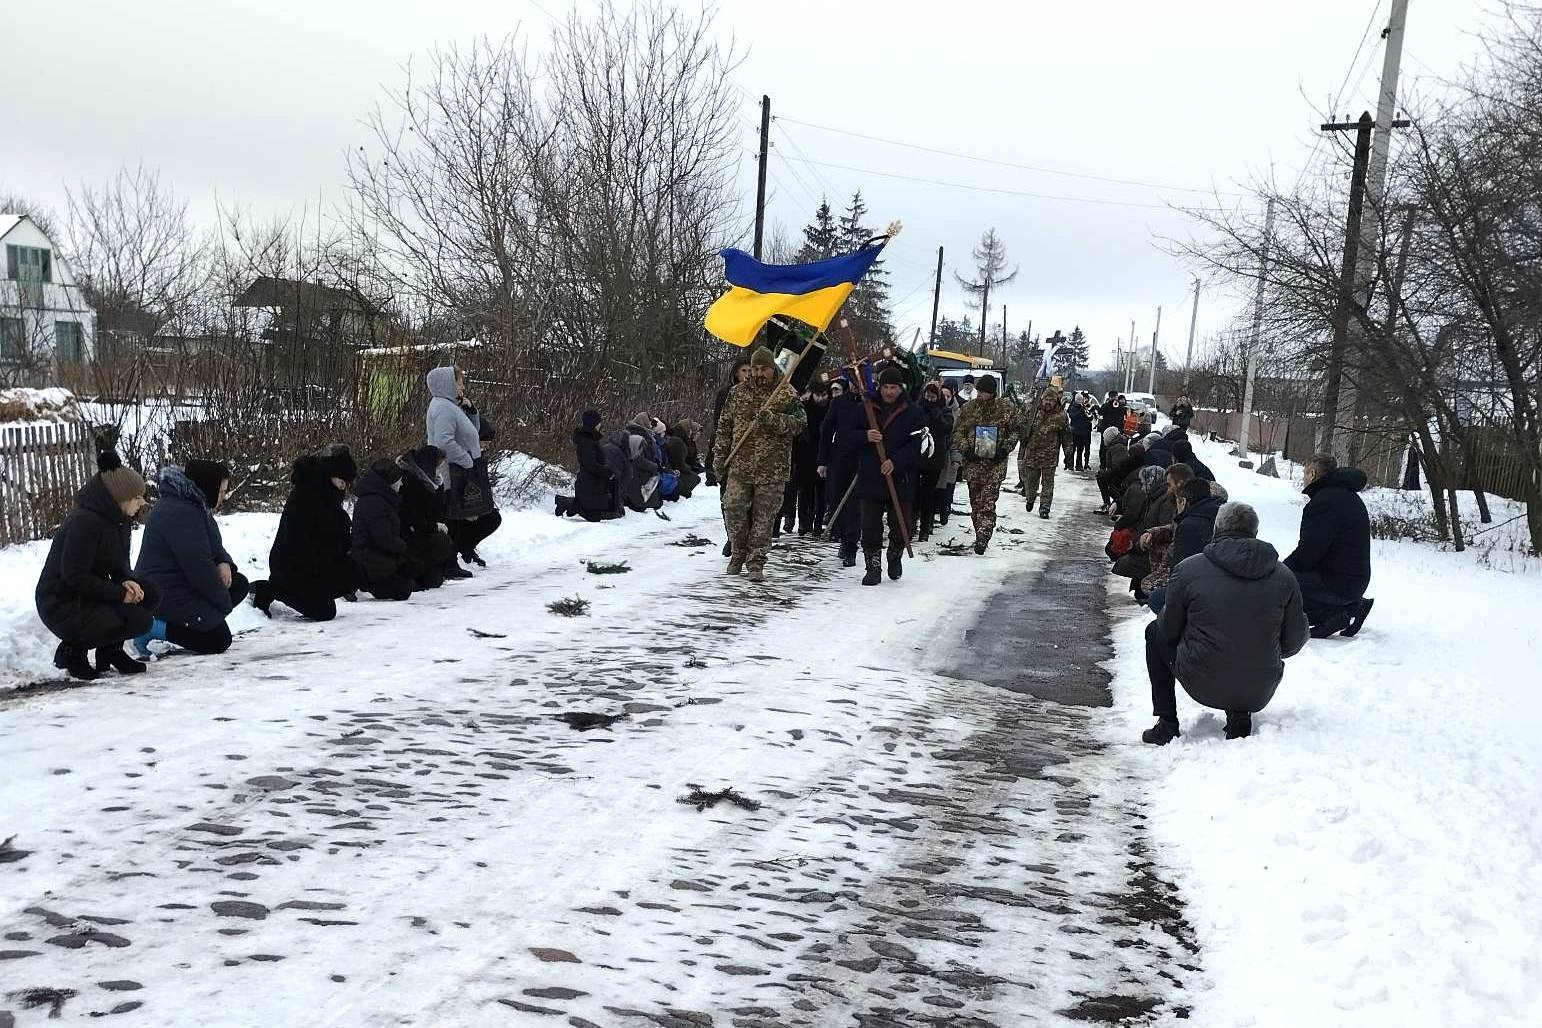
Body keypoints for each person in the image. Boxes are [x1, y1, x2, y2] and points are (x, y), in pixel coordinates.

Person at [1142, 501, 1309, 744]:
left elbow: (1168, 630)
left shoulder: (1188, 570)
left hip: (1201, 680)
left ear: (1217, 529)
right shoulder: (1284, 576)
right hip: (1259, 687)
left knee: (1153, 631)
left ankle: (1167, 722)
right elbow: (1292, 643)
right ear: (1255, 531)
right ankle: (1240, 715)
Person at [34, 451, 160, 680]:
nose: (142, 503)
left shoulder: (119, 520)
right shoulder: (85, 522)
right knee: (139, 619)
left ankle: (111, 651)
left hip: (90, 592)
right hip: (62, 600)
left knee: (149, 594)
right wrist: (120, 593)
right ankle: (73, 651)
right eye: (137, 497)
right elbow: (74, 577)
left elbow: (119, 565)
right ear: (122, 497)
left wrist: (127, 581)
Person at [131, 460, 248, 658]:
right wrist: (222, 604)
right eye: (220, 492)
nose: (223, 497)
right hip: (164, 593)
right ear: (207, 487)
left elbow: (213, 545)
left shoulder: (194, 503)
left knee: (237, 584)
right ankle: (152, 627)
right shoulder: (180, 513)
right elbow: (199, 567)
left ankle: (199, 624)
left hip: (181, 583)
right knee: (218, 640)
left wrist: (223, 562)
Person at [713, 346, 807, 582]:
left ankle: (756, 561)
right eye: (754, 369)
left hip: (772, 469)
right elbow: (724, 427)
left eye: (763, 368)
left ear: (772, 368)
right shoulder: (737, 393)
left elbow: (800, 424)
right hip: (739, 465)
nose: (758, 373)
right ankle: (738, 552)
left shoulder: (785, 393)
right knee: (733, 509)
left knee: (763, 518)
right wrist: (719, 458)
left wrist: (774, 420)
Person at [252, 444, 360, 623]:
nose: (343, 488)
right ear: (330, 475)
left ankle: (312, 593)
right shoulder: (304, 498)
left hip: (316, 563)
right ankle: (272, 589)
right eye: (341, 482)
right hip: (291, 568)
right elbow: (298, 546)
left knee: (352, 573)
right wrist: (334, 550)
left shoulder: (329, 495)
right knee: (324, 611)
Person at [1283, 453, 1374, 638]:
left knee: (1278, 586)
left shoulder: (1325, 501)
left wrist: (1279, 570)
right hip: (1351, 581)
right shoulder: (1345, 496)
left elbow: (1309, 552)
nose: (1303, 478)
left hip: (1337, 583)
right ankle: (1352, 606)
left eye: (1305, 473)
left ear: (1313, 473)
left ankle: (1334, 614)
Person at [425, 366, 501, 567]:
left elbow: (472, 432)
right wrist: (467, 461)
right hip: (453, 472)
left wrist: (472, 411)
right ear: (448, 384)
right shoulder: (442, 408)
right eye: (459, 382)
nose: (462, 386)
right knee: (456, 518)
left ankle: (463, 549)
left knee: (479, 516)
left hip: (463, 471)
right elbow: (443, 442)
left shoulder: (451, 406)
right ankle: (450, 561)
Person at [857, 366, 925, 585]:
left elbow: (917, 445)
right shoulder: (867, 407)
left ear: (900, 388)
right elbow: (846, 436)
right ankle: (873, 567)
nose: (888, 392)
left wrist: (896, 462)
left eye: (893, 387)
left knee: (902, 524)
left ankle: (895, 554)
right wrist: (865, 436)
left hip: (900, 477)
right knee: (870, 525)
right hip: (871, 475)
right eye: (885, 387)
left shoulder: (913, 411)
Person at [951, 375, 1021, 554]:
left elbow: (1014, 431)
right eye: (980, 392)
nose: (982, 395)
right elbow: (958, 431)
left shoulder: (1005, 408)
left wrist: (1004, 449)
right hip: (973, 464)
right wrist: (966, 449)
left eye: (985, 392)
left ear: (992, 393)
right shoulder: (968, 409)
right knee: (976, 504)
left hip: (994, 465)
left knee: (988, 503)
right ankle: (978, 532)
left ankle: (983, 537)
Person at [1145, 478, 1222, 616]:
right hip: (1218, 584)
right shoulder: (1217, 514)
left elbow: (1180, 571)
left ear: (1184, 501)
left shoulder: (1189, 526)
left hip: (1201, 590)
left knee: (1156, 598)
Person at [397, 444, 468, 585]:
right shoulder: (412, 481)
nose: (439, 469)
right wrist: (434, 526)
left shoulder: (432, 481)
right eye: (438, 465)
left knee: (434, 580)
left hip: (424, 526)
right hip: (411, 532)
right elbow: (414, 515)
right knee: (443, 541)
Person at [350, 459, 415, 602]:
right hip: (369, 558)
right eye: (399, 481)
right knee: (403, 589)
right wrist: (403, 547)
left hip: (378, 555)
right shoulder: (374, 502)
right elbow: (382, 538)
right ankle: (361, 582)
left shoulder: (381, 499)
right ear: (389, 482)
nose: (401, 484)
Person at [818, 372, 866, 565]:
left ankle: (851, 546)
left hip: (862, 460)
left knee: (855, 505)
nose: (856, 386)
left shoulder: (871, 404)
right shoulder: (839, 403)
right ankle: (843, 538)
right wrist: (823, 460)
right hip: (839, 459)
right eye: (854, 383)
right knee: (836, 500)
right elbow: (826, 430)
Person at [557, 410, 622, 522]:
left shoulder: (591, 439)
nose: (600, 425)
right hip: (589, 483)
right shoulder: (587, 441)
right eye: (598, 422)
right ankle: (565, 502)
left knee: (596, 513)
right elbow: (590, 464)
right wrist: (607, 472)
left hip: (595, 482)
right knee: (592, 515)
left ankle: (571, 504)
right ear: (593, 423)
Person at [1018, 388, 1072, 520]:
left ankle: (1044, 509)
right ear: (1042, 399)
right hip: (1032, 453)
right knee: (1031, 481)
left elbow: (1066, 436)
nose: (1048, 402)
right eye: (1046, 399)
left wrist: (1068, 453)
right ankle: (1030, 499)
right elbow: (1021, 425)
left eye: (1051, 400)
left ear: (1056, 401)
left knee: (1048, 483)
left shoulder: (1061, 416)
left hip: (1050, 456)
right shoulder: (1033, 411)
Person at [914, 382, 954, 541]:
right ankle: (912, 524)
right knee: (914, 492)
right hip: (917, 457)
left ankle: (926, 526)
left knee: (929, 494)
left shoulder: (944, 411)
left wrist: (935, 413)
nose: (929, 400)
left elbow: (945, 428)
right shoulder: (917, 408)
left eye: (933, 397)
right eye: (927, 396)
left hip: (934, 458)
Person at [789, 382, 829, 535]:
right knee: (805, 492)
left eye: (823, 395)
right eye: (817, 395)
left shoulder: (830, 408)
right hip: (806, 455)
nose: (820, 399)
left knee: (821, 493)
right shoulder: (806, 408)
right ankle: (804, 522)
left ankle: (818, 523)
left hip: (823, 455)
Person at [705, 359, 750, 488]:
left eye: (749, 371)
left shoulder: (755, 393)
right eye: (744, 371)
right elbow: (719, 421)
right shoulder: (725, 393)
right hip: (729, 444)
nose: (747, 374)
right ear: (736, 373)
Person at [936, 383, 964, 526]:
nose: (945, 398)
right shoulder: (935, 408)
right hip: (936, 454)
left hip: (950, 454)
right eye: (943, 395)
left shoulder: (957, 412)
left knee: (948, 487)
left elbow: (958, 437)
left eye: (948, 396)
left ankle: (944, 510)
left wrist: (957, 459)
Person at [1067, 392, 1094, 471]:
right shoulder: (1072, 407)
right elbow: (1073, 416)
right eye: (1079, 400)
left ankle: (1079, 465)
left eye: (1081, 400)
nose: (1080, 401)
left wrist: (1089, 414)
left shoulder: (1084, 408)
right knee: (1072, 450)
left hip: (1082, 432)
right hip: (1074, 432)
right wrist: (1081, 411)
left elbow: (1089, 419)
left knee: (1080, 450)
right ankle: (1070, 464)